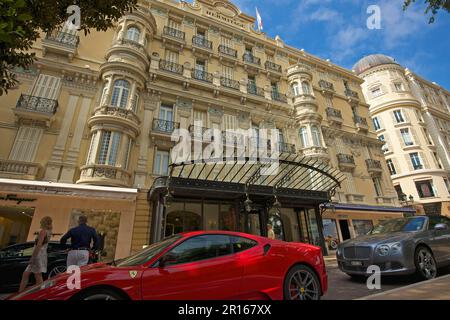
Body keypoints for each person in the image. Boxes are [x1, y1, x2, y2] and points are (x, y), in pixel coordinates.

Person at [18, 216, 53, 293]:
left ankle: (37, 293)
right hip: (41, 254)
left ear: (44, 222)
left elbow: (39, 245)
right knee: (27, 274)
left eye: (41, 220)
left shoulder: (43, 231)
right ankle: (21, 292)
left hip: (38, 255)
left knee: (37, 276)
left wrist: (33, 257)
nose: (40, 222)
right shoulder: (49, 231)